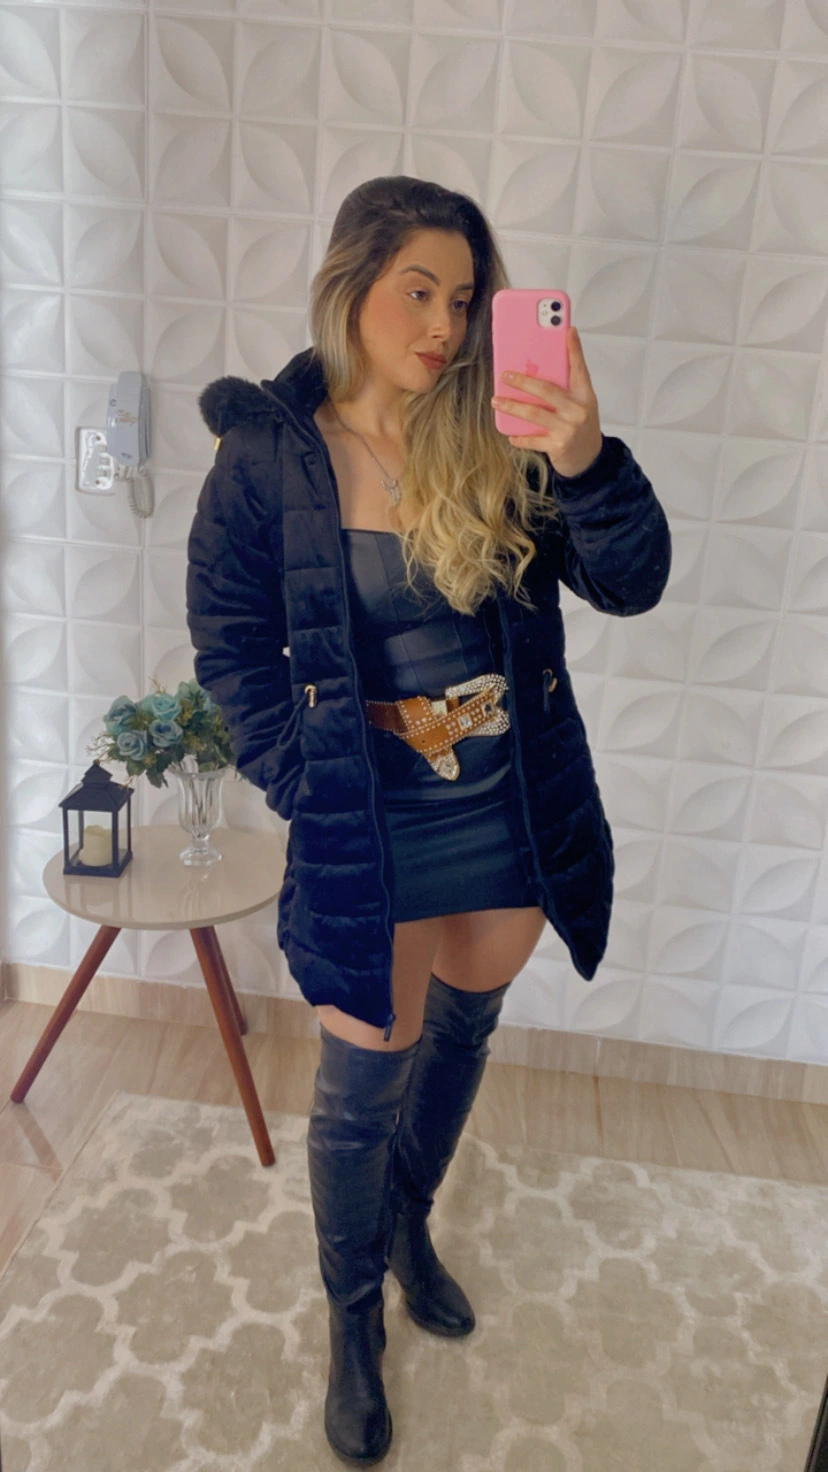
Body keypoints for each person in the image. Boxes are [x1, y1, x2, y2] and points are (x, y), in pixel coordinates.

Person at [186, 175, 671, 1465]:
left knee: (463, 1032)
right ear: (353, 284)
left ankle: (410, 1225)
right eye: (420, 291)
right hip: (371, 820)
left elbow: (633, 583)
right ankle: (351, 1318)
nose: (447, 325)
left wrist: (584, 455)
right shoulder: (269, 454)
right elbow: (229, 642)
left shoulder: (501, 432)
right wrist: (304, 784)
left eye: (463, 298)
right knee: (360, 1084)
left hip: (508, 808)